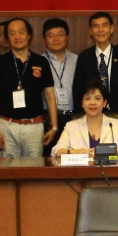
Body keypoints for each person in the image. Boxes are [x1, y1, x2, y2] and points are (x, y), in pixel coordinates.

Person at [0, 17, 57, 157]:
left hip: (34, 126)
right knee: (7, 169)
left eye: (21, 32)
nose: (17, 37)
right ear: (7, 38)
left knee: (34, 169)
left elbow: (49, 96)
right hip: (6, 126)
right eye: (12, 33)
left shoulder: (41, 61)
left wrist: (54, 126)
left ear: (29, 35)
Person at [72, 11, 118, 136]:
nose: (100, 30)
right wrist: (80, 122)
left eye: (104, 25)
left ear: (112, 29)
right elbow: (77, 92)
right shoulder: (84, 57)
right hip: (91, 120)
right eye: (96, 26)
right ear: (91, 31)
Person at [53, 80, 118, 161]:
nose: (92, 102)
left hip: (110, 169)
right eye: (87, 98)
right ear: (82, 103)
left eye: (97, 98)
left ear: (104, 103)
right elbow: (56, 151)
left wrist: (103, 150)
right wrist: (76, 152)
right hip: (80, 168)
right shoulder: (71, 126)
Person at [42, 17, 78, 150]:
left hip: (74, 119)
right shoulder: (38, 62)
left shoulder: (78, 60)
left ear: (67, 37)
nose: (56, 39)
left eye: (60, 34)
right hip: (47, 120)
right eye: (50, 35)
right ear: (44, 39)